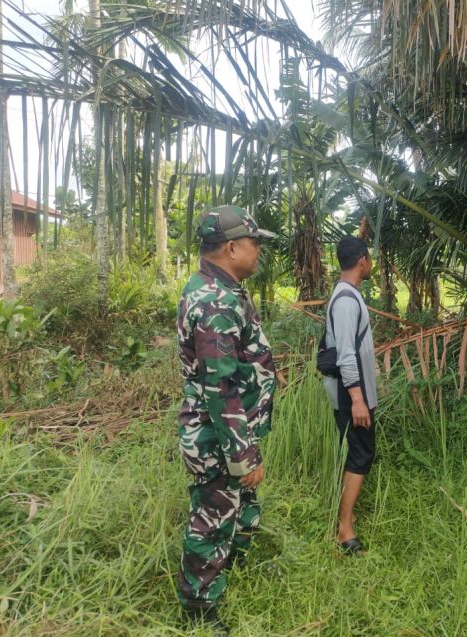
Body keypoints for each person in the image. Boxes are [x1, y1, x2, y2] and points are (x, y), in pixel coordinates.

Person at [175, 205, 277, 634]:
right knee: (213, 517)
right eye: (255, 244)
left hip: (232, 430)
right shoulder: (214, 301)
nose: (259, 252)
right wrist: (243, 455)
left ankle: (231, 568)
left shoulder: (221, 288)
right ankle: (198, 605)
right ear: (232, 247)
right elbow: (221, 389)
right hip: (220, 435)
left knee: (237, 508)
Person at [322, 236, 377, 556]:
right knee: (360, 453)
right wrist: (358, 399)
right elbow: (344, 354)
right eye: (370, 259)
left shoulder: (348, 295)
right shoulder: (346, 300)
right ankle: (344, 529)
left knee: (358, 451)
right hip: (350, 395)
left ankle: (348, 512)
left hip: (355, 392)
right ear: (362, 261)